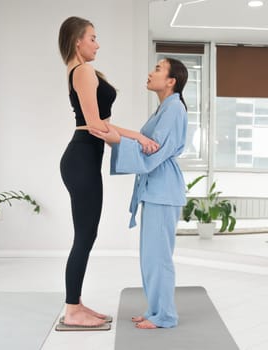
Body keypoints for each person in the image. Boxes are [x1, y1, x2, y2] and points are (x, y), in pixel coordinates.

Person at [57, 16, 158, 329]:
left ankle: (76, 304)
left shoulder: (84, 70)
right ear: (77, 40)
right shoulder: (83, 70)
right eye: (93, 38)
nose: (97, 44)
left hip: (84, 158)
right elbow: (96, 125)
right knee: (84, 236)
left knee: (86, 235)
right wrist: (138, 136)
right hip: (81, 159)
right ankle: (72, 310)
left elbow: (96, 123)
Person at [90, 57, 189, 329]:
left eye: (157, 69)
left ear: (171, 80)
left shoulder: (174, 109)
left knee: (158, 257)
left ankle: (165, 316)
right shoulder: (164, 109)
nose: (150, 72)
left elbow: (153, 150)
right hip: (156, 189)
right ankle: (156, 309)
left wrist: (116, 138)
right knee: (150, 256)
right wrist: (112, 132)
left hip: (163, 190)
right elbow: (144, 142)